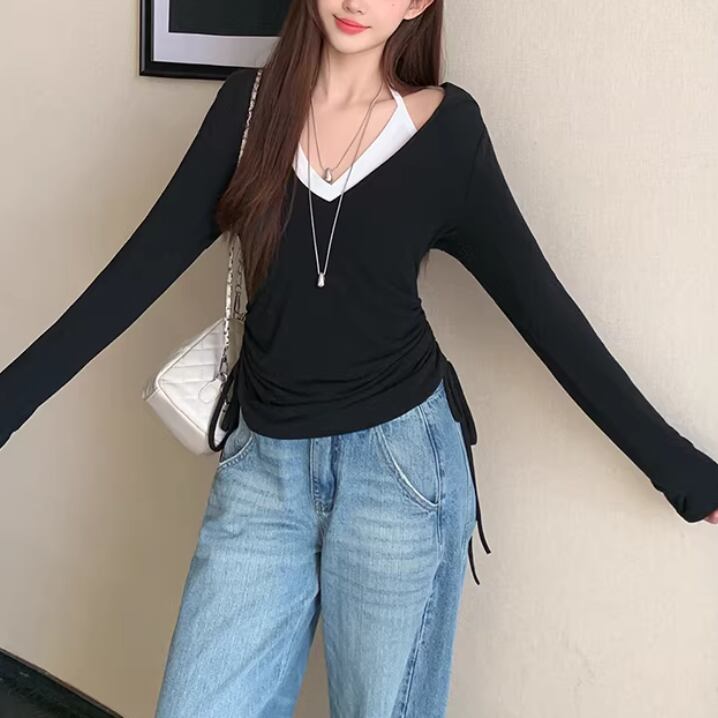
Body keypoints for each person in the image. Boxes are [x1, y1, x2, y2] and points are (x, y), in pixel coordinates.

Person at [2, 0, 717, 715]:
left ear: (418, 3)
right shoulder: (247, 113)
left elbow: (545, 312)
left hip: (400, 475)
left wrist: (685, 474)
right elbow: (133, 277)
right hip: (263, 472)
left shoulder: (447, 132)